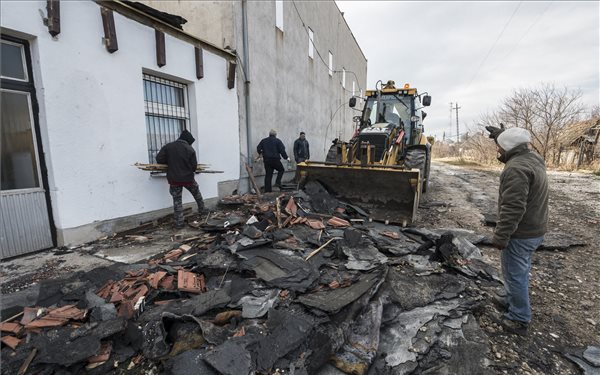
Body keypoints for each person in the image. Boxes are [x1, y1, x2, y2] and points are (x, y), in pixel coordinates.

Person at [488, 126, 549, 336]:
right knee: (517, 269)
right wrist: (502, 136)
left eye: (499, 147)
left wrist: (501, 236)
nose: (497, 150)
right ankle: (510, 298)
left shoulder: (515, 169)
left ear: (508, 148)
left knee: (515, 274)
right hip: (536, 229)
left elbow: (513, 208)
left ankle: (519, 317)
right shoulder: (533, 158)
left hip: (521, 233)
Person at [156, 130, 206, 229]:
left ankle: (179, 223)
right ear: (187, 140)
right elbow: (194, 167)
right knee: (197, 195)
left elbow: (159, 159)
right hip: (188, 179)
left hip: (174, 180)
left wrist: (170, 161)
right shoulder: (190, 149)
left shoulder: (168, 147)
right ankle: (202, 210)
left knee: (177, 201)